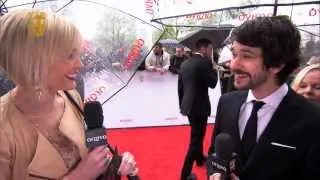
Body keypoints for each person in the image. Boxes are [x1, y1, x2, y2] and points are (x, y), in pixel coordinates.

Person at [0, 9, 138, 180]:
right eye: (70, 56)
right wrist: (78, 176)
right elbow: (84, 171)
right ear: (34, 60)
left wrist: (114, 165)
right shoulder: (4, 127)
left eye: (78, 54)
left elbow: (87, 160)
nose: (80, 64)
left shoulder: (72, 97)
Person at [208, 16, 320, 180]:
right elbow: (215, 155)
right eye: (234, 54)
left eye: (246, 56)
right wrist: (215, 174)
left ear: (277, 65)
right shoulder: (227, 103)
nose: (233, 65)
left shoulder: (313, 119)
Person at [179, 38, 218, 180]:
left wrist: (183, 106)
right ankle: (185, 174)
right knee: (196, 139)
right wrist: (214, 68)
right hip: (199, 107)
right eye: (210, 49)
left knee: (197, 134)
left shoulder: (184, 63)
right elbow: (213, 83)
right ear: (203, 48)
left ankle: (200, 159)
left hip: (188, 106)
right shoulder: (206, 63)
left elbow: (180, 88)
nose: (211, 51)